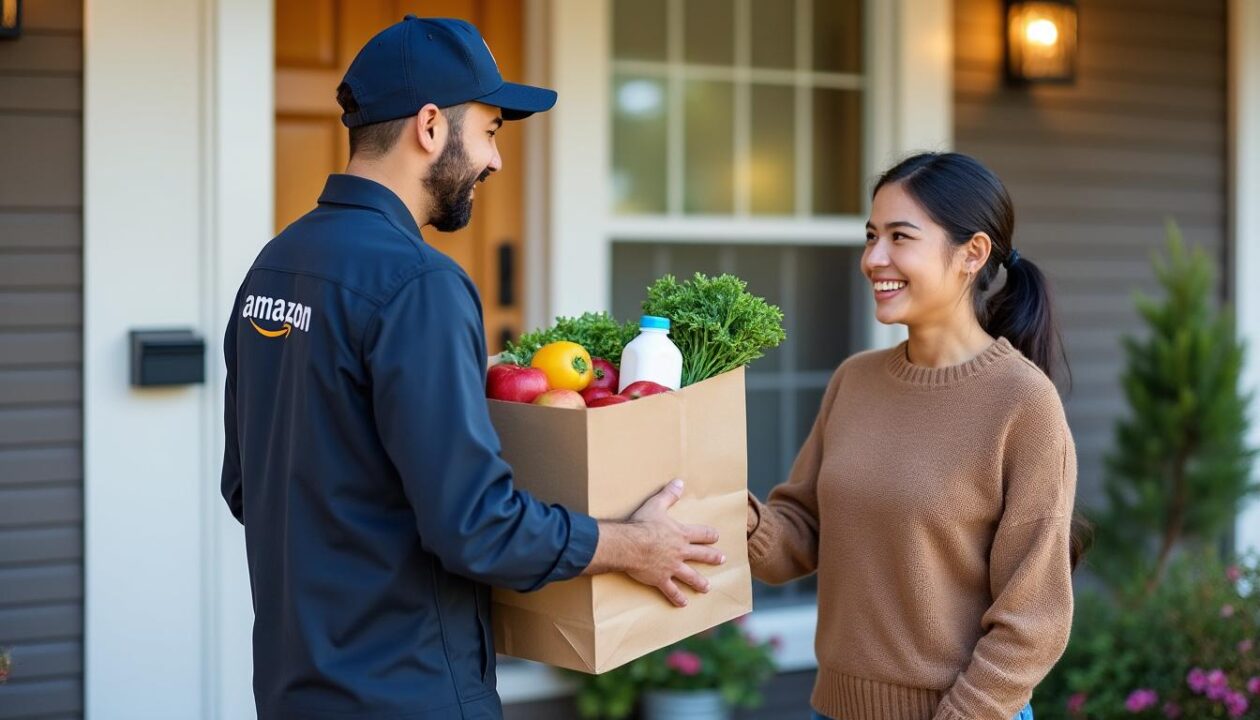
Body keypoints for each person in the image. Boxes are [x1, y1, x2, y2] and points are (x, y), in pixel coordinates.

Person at [221, 15, 723, 720]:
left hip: (294, 689)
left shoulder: (273, 268)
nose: (495, 161)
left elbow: (248, 488)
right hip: (408, 693)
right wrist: (631, 546)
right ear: (430, 126)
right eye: (490, 131)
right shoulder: (420, 284)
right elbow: (476, 527)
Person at [746, 152, 1077, 720]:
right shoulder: (855, 380)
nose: (874, 259)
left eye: (900, 237)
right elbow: (799, 535)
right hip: (834, 708)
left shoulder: (1023, 403)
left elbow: (1034, 621)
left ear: (971, 253)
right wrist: (735, 518)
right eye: (871, 236)